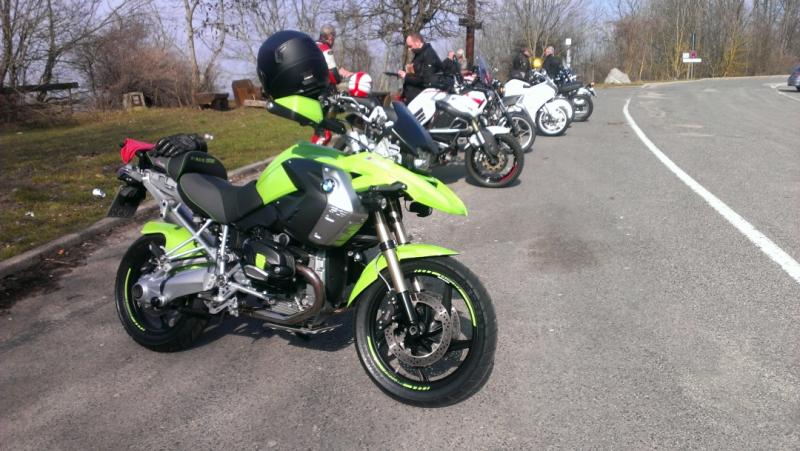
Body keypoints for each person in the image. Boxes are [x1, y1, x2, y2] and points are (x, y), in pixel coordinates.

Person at [397, 32, 443, 103]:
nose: (409, 49)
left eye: (410, 46)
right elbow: (418, 74)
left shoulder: (429, 54)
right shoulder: (419, 54)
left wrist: (406, 76)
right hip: (412, 97)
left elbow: (426, 80)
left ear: (418, 42)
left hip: (421, 99)